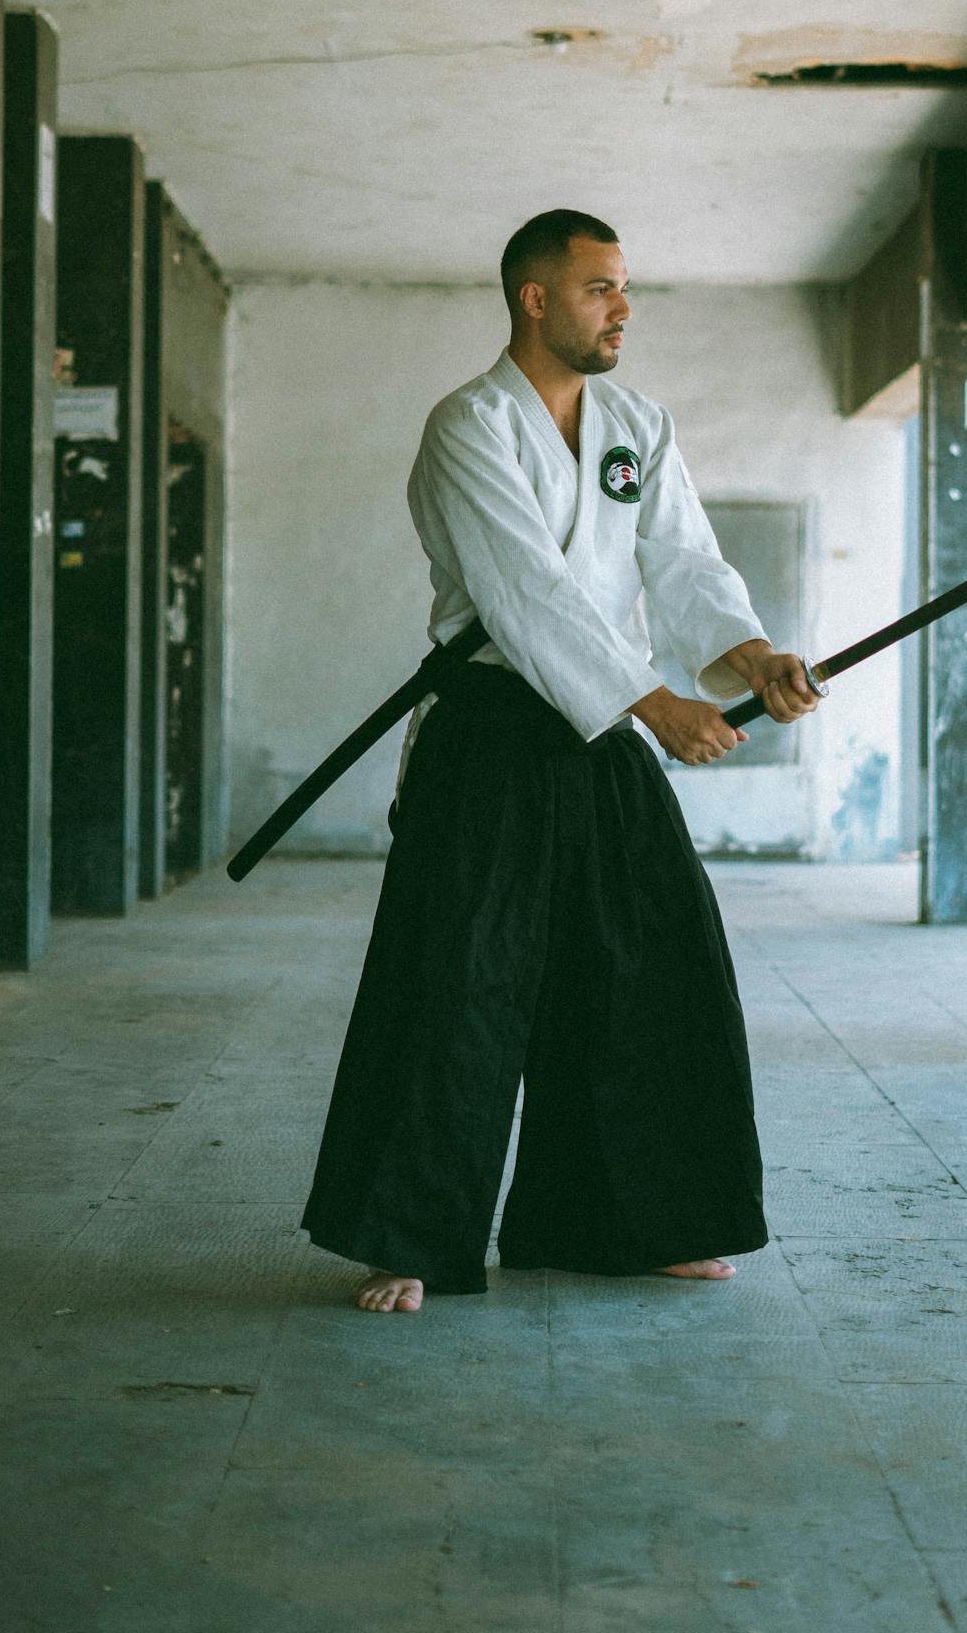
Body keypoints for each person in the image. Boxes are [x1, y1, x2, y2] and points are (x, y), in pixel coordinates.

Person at [299, 209, 821, 1313]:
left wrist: (752, 655)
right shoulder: (468, 424)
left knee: (650, 968)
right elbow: (523, 590)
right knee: (460, 978)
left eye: (624, 287)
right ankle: (411, 1231)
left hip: (606, 729)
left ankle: (632, 1222)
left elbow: (683, 564)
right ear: (532, 296)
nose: (621, 307)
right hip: (496, 723)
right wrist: (659, 704)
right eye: (599, 288)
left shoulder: (637, 421)